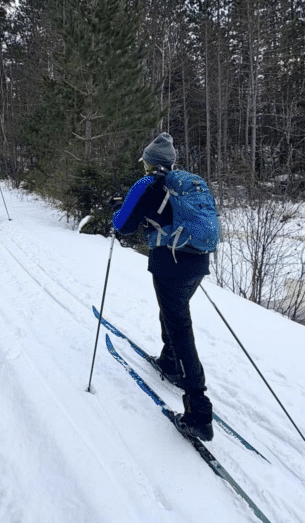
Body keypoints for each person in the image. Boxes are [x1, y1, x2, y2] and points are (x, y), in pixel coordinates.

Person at [112, 132, 214, 441]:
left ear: (148, 162)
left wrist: (116, 210)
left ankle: (198, 410)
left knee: (179, 324)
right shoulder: (187, 184)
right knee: (173, 313)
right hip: (197, 262)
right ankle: (170, 361)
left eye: (143, 160)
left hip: (169, 265)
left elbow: (122, 225)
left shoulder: (146, 184)